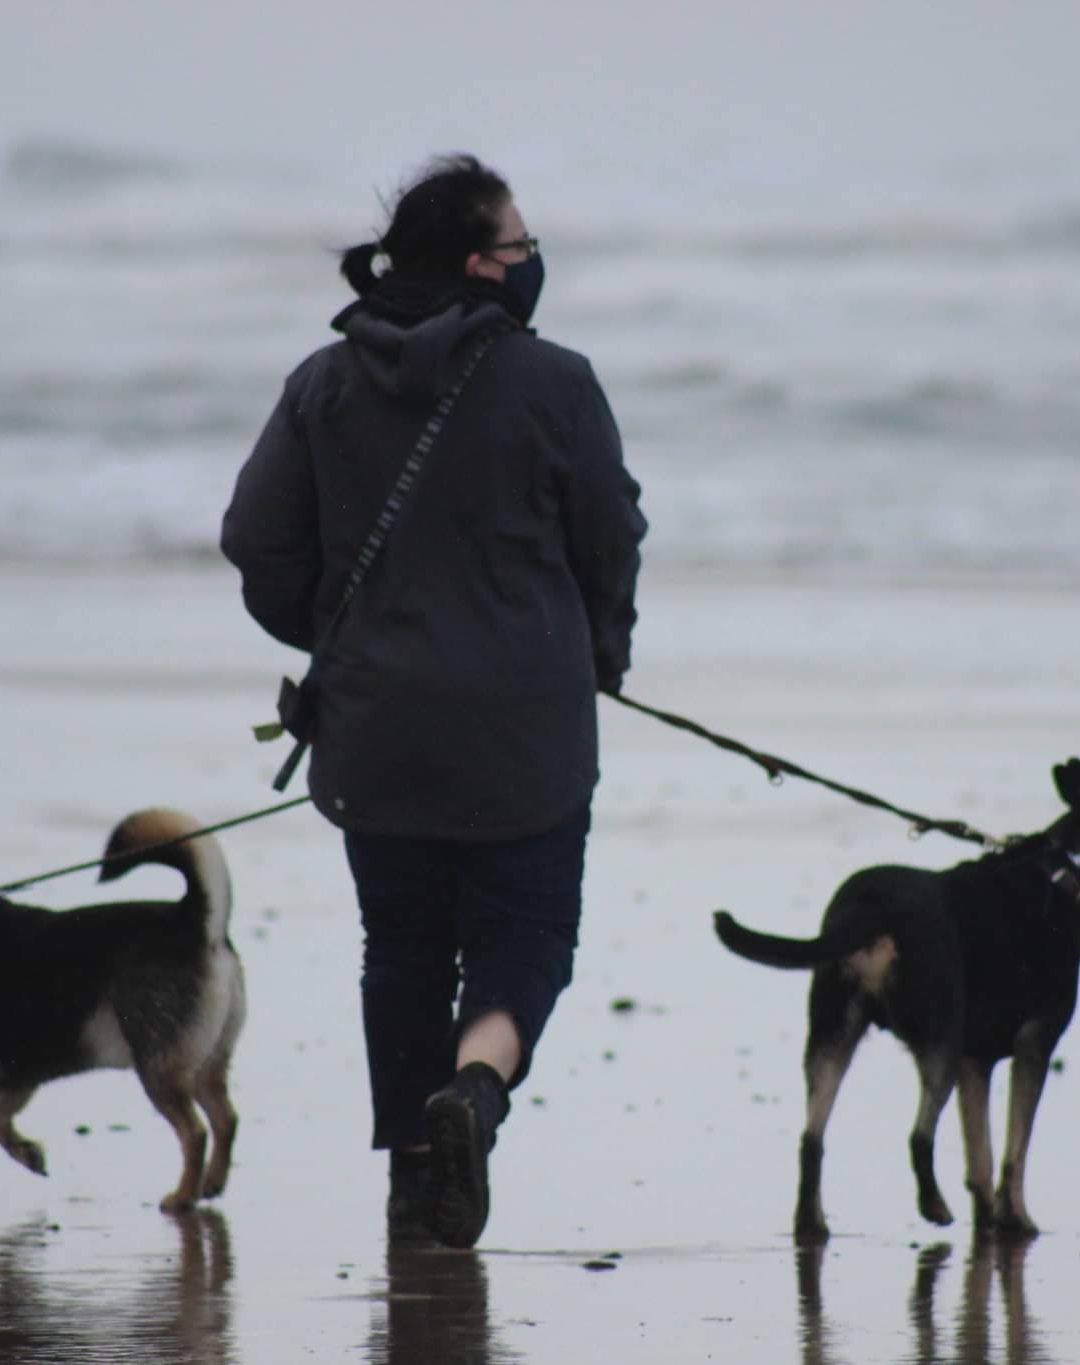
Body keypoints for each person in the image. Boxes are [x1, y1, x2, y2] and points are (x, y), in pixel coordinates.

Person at [220, 154, 645, 1248]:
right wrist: (599, 654)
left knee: (400, 949)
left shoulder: (322, 381)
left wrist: (337, 638)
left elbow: (256, 542)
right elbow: (610, 535)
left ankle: (416, 1182)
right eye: (519, 245)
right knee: (524, 939)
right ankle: (475, 1097)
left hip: (376, 730)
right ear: (476, 264)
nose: (531, 261)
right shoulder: (556, 382)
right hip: (528, 731)